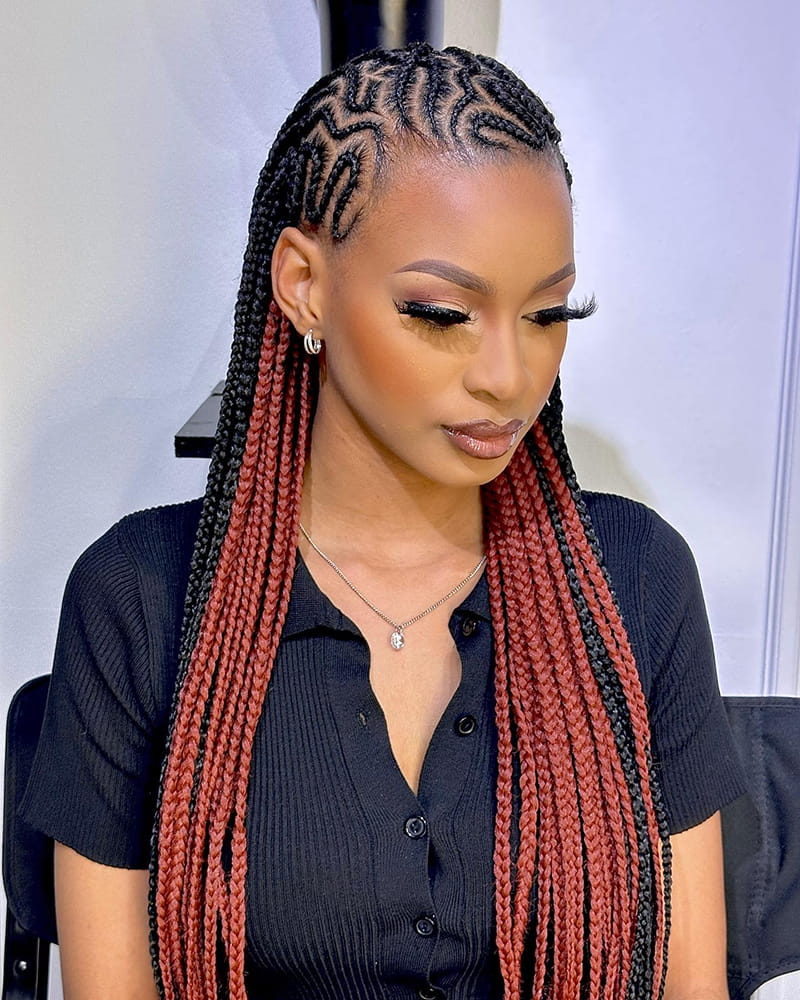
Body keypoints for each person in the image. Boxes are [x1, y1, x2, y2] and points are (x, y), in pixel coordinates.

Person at [20, 42, 746, 1000]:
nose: (508, 375)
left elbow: (687, 984)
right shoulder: (142, 601)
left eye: (548, 313)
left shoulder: (634, 583)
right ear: (304, 284)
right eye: (442, 313)